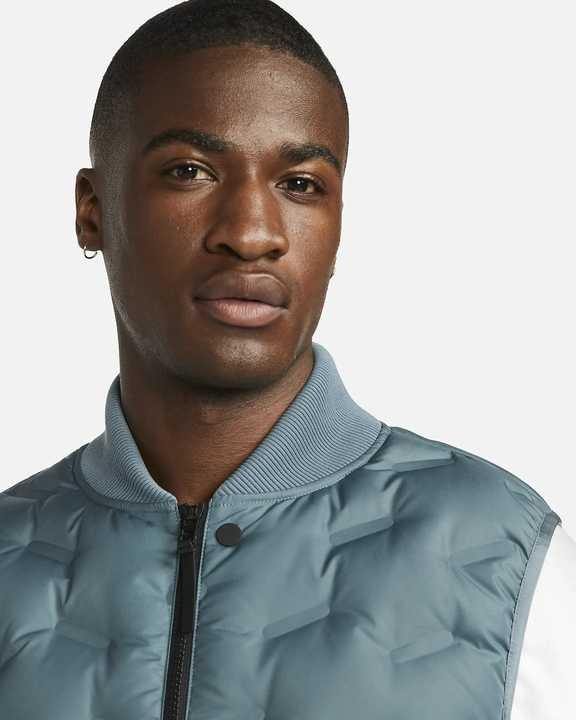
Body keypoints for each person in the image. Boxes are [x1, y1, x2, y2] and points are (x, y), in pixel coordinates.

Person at [1, 1, 574, 718]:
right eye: (190, 171)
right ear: (92, 210)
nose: (251, 234)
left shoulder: (514, 561)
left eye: (300, 184)